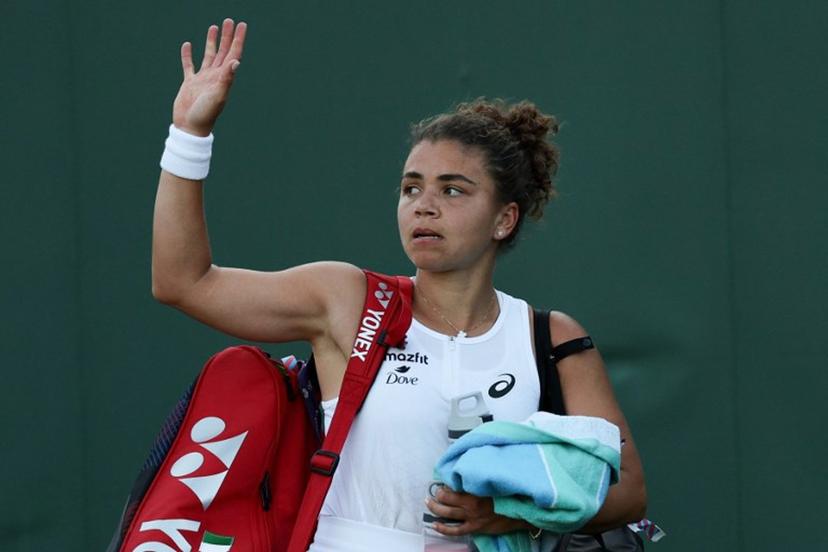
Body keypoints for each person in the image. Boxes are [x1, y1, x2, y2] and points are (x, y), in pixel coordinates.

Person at [152, 18, 647, 552]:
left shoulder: (550, 336)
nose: (424, 205)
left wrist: (507, 516)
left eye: (453, 190)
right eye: (411, 188)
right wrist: (190, 134)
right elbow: (184, 282)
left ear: (504, 219)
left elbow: (627, 492)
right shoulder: (347, 300)